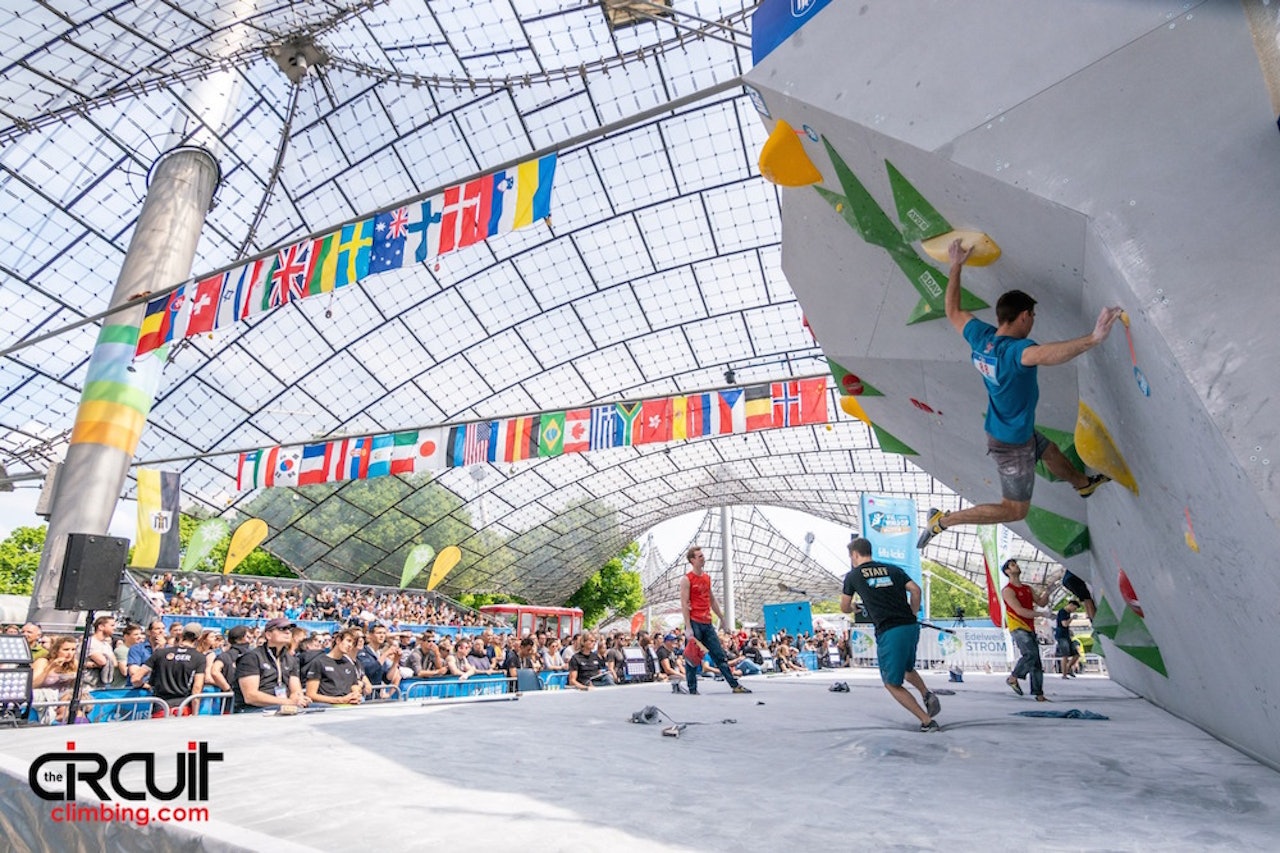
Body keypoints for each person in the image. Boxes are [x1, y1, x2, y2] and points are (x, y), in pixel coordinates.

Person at [917, 239, 1122, 549]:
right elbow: (1049, 354)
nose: (1033, 322)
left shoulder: (981, 338)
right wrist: (1093, 339)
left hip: (1011, 429)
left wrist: (956, 265)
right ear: (1024, 316)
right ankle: (943, 521)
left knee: (1049, 450)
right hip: (1010, 444)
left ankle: (1083, 485)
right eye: (1033, 317)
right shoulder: (1016, 352)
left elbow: (953, 310)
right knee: (1015, 510)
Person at [840, 537, 941, 732]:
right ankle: (926, 693)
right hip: (910, 627)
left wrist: (854, 607)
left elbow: (844, 607)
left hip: (890, 630)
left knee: (891, 683)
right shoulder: (893, 569)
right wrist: (912, 611)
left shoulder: (853, 576)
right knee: (906, 668)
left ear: (854, 555)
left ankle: (927, 721)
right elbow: (915, 589)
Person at [679, 547, 751, 695]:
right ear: (692, 560)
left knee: (719, 655)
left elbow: (712, 599)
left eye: (702, 556)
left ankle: (734, 685)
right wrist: (688, 626)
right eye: (699, 556)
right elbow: (684, 603)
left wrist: (722, 618)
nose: (703, 558)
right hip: (695, 622)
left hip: (707, 622)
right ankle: (693, 689)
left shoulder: (706, 578)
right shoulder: (687, 579)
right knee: (693, 656)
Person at [234, 617, 309, 712]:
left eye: (289, 629)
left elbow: (296, 690)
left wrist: (298, 698)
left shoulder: (291, 659)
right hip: (254, 709)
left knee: (323, 708)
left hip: (281, 706)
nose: (288, 632)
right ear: (268, 635)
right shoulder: (252, 657)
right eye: (282, 629)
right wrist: (289, 702)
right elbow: (250, 696)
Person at [132, 622, 206, 716]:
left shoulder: (160, 653)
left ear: (182, 634)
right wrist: (195, 713)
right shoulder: (199, 657)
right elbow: (197, 688)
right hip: (183, 707)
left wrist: (145, 685)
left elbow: (135, 678)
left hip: (160, 706)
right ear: (199, 638)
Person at [1001, 560, 1049, 701]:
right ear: (1007, 571)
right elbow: (1020, 611)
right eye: (1012, 565)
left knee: (1036, 661)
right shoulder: (1008, 590)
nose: (1016, 566)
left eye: (1016, 564)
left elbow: (1041, 602)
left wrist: (1048, 592)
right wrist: (1042, 614)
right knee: (1030, 654)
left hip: (1029, 626)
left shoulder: (1027, 588)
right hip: (1018, 626)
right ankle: (1013, 677)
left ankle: (1038, 694)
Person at [304, 628, 369, 705]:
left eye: (353, 643)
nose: (350, 645)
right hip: (326, 708)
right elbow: (311, 694)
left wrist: (356, 695)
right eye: (348, 641)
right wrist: (339, 700)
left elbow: (354, 685)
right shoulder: (319, 662)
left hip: (347, 707)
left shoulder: (349, 664)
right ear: (338, 640)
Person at [1055, 600, 1081, 678]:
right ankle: (1064, 674)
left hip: (1066, 636)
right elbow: (1064, 624)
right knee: (1065, 655)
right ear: (1071, 605)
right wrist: (1072, 618)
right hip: (1061, 636)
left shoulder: (1068, 613)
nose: (1074, 610)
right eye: (1074, 608)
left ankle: (1068, 667)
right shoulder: (1062, 612)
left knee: (1076, 654)